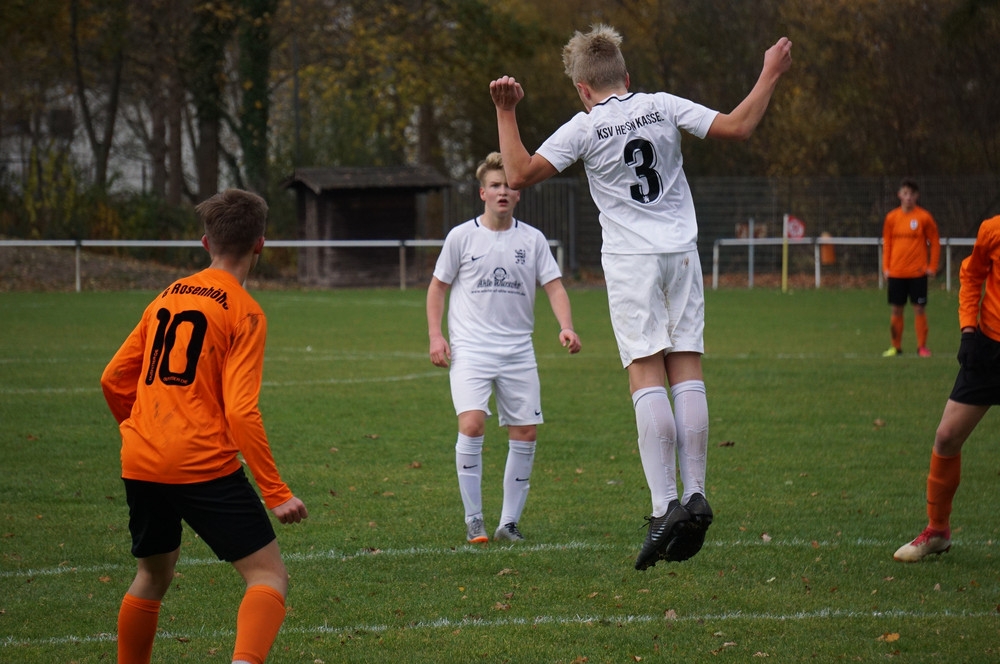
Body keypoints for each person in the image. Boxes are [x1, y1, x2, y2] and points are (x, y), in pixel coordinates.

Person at [489, 25, 792, 570]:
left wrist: (507, 110)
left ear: (583, 87)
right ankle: (696, 492)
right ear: (627, 77)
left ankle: (663, 508)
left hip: (631, 263)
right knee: (688, 369)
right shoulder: (661, 105)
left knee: (645, 373)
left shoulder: (584, 127)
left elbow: (517, 172)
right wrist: (770, 71)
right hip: (682, 254)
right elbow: (740, 125)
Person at [101, 188, 308, 664]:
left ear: (204, 242)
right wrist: (275, 493)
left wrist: (138, 433)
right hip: (200, 462)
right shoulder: (244, 310)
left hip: (141, 459)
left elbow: (113, 378)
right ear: (260, 244)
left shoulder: (167, 295)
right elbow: (240, 411)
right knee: (268, 576)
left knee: (152, 576)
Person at [427, 151, 581, 544]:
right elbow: (438, 287)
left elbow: (554, 286)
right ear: (482, 192)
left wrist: (566, 326)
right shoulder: (461, 237)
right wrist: (435, 335)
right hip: (471, 350)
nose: (502, 192)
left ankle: (508, 523)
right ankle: (474, 519)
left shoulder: (532, 240)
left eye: (509, 185)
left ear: (518, 194)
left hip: (518, 352)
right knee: (472, 424)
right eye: (495, 185)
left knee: (526, 433)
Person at [893, 215, 1000, 562]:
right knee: (947, 436)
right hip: (988, 346)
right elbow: (971, 275)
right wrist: (968, 329)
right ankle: (937, 530)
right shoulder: (993, 228)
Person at [881, 179, 941, 358]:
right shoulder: (892, 218)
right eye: (905, 193)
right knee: (896, 310)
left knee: (919, 308)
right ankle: (895, 347)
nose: (908, 197)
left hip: (918, 273)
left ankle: (922, 347)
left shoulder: (924, 217)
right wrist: (886, 267)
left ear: (917, 196)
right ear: (900, 195)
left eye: (912, 194)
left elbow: (935, 242)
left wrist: (932, 266)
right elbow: (887, 243)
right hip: (896, 272)